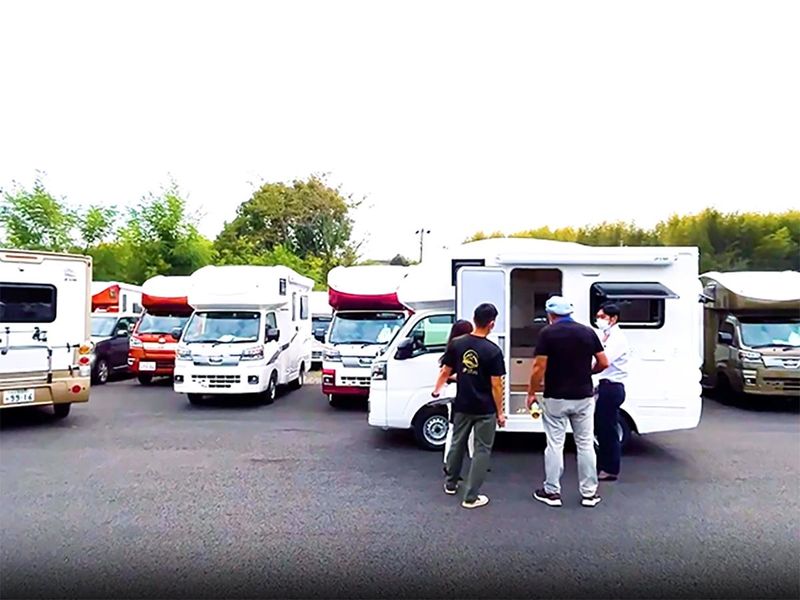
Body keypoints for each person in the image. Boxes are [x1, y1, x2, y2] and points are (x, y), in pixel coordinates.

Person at [526, 296, 609, 508]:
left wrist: (531, 392)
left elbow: (539, 367)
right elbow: (603, 362)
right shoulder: (587, 332)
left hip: (556, 397)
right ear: (570, 313)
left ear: (550, 314)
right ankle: (589, 493)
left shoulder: (547, 333)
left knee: (555, 444)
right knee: (585, 444)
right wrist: (588, 373)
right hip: (583, 396)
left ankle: (552, 491)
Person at [432, 303, 506, 509]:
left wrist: (436, 390)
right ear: (492, 324)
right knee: (482, 449)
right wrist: (500, 413)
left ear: (474, 319)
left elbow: (445, 371)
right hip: (485, 408)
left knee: (457, 442)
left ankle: (451, 483)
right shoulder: (493, 351)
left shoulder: (457, 344)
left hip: (462, 404)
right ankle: (471, 496)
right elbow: (496, 385)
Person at [593, 303, 630, 482]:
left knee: (608, 429)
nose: (599, 320)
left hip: (612, 387)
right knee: (601, 428)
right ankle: (602, 465)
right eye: (598, 317)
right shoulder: (605, 335)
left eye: (602, 317)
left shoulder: (617, 338)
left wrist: (589, 371)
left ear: (613, 319)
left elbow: (604, 361)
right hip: (604, 386)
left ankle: (610, 469)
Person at [439, 320, 476, 473]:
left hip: (453, 391)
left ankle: (449, 461)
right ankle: (473, 459)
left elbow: (444, 373)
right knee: (467, 427)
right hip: (463, 391)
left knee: (453, 427)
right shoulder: (467, 349)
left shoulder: (451, 348)